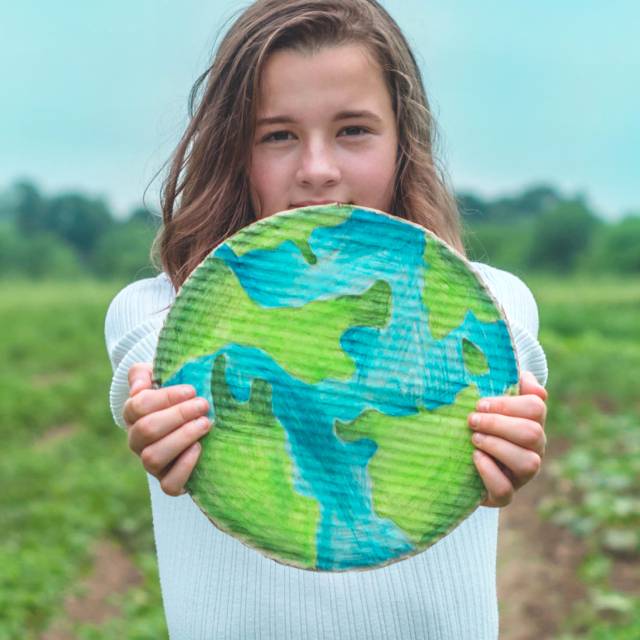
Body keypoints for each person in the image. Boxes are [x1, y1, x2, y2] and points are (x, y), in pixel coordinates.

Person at [105, 1, 548, 637]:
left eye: (354, 131)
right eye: (278, 135)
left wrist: (513, 442)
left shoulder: (495, 303)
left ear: (403, 142)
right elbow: (147, 365)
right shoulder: (154, 311)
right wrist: (159, 413)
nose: (317, 169)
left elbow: (514, 356)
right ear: (235, 151)